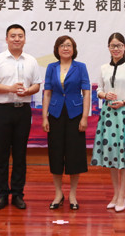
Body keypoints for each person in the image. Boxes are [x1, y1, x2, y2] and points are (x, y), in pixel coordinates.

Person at [0, 24, 42, 210]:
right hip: (2, 110)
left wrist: (28, 91)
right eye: (13, 36)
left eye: (20, 36)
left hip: (22, 111)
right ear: (7, 39)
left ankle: (17, 194)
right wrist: (10, 89)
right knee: (1, 155)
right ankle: (2, 194)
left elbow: (37, 85)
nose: (17, 39)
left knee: (20, 155)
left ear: (25, 39)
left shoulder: (31, 61)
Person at [91, 32, 125, 213]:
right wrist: (105, 95)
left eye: (119, 45)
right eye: (113, 46)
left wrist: (124, 101)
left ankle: (122, 194)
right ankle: (115, 194)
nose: (116, 49)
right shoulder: (104, 68)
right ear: (108, 48)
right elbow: (99, 90)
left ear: (124, 47)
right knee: (111, 154)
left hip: (124, 114)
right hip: (108, 115)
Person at [42, 35, 91, 210]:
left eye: (69, 45)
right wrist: (44, 117)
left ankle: (72, 195)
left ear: (73, 49)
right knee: (56, 154)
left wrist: (84, 117)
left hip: (75, 115)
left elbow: (86, 93)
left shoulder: (80, 67)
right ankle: (58, 193)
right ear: (57, 49)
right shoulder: (51, 67)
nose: (65, 48)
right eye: (62, 45)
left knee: (74, 155)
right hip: (55, 114)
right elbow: (47, 92)